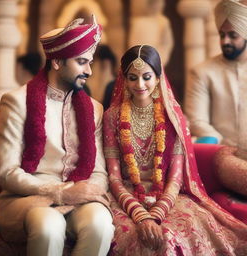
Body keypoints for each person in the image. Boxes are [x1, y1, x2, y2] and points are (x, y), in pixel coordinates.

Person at [103, 45, 247, 255]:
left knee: (169, 235)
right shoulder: (112, 117)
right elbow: (114, 178)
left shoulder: (171, 116)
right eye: (132, 77)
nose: (140, 84)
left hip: (167, 196)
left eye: (146, 76)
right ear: (124, 80)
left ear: (158, 77)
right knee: (133, 236)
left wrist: (157, 213)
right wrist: (141, 215)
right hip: (125, 196)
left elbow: (176, 179)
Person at [0, 15, 114, 256]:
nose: (89, 70)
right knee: (49, 226)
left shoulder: (94, 109)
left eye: (90, 62)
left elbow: (99, 171)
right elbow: (7, 173)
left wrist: (86, 191)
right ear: (57, 61)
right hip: (29, 198)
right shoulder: (16, 102)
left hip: (80, 196)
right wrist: (59, 192)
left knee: (100, 224)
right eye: (81, 62)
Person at [184, 0, 247, 146]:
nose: (225, 41)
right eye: (222, 35)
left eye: (233, 35)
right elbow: (197, 121)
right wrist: (218, 143)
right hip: (221, 153)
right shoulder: (202, 72)